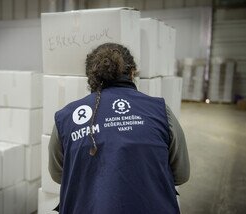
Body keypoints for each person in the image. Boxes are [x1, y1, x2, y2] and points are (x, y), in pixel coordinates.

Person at [48, 43, 190, 214]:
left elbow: (58, 176)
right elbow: (181, 174)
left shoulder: (66, 118)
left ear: (90, 77)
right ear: (132, 73)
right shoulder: (160, 111)